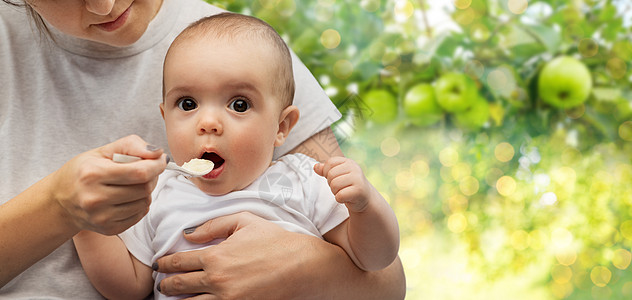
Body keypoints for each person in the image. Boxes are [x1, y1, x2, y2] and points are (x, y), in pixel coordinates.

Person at [0, 0, 406, 299]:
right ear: (163, 116)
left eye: (239, 105)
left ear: (282, 127)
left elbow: (379, 267)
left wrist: (365, 206)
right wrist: (82, 222)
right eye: (187, 105)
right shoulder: (159, 196)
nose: (208, 123)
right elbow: (128, 286)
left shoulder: (301, 179)